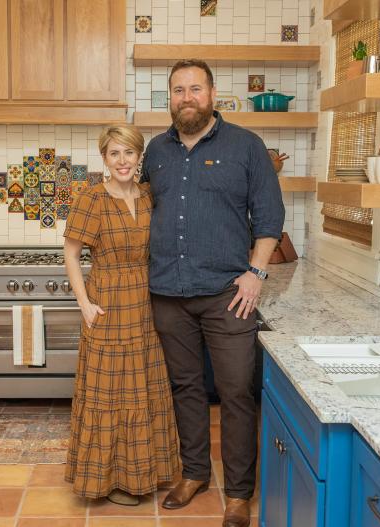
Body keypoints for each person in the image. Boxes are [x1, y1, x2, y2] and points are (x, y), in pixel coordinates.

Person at [140, 59, 284, 527]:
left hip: (229, 294)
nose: (187, 97)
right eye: (178, 89)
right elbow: (139, 208)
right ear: (170, 97)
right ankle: (195, 473)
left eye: (195, 88)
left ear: (213, 93)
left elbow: (269, 219)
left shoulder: (246, 146)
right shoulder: (156, 152)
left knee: (236, 391)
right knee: (186, 388)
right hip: (167, 292)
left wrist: (256, 274)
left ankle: (239, 494)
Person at [63, 125, 180, 506]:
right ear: (104, 159)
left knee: (142, 393)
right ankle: (104, 479)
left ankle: (139, 476)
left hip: (146, 305)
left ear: (139, 157)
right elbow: (71, 254)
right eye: (115, 154)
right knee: (107, 395)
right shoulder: (91, 199)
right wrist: (84, 304)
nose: (123, 161)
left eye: (129, 153)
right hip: (107, 305)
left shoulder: (149, 196)